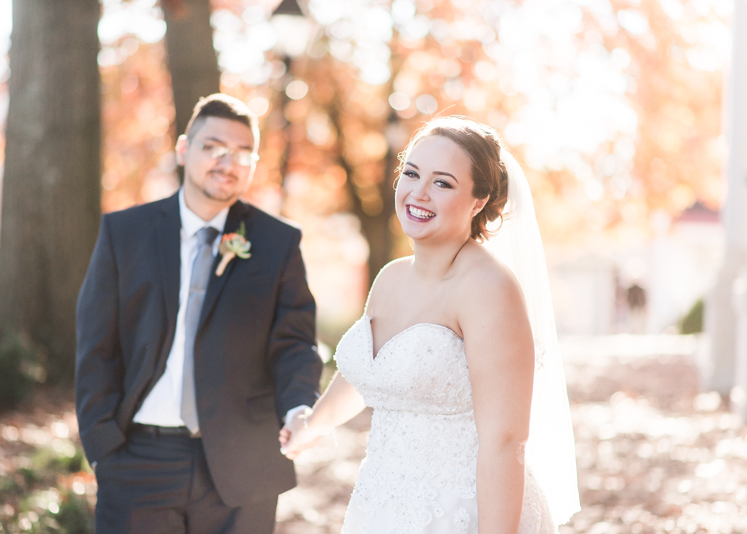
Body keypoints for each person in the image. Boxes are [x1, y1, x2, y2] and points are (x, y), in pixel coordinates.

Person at [279, 116, 580, 533]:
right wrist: (310, 427)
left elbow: (506, 442)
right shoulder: (390, 278)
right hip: (380, 506)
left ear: (479, 200)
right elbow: (368, 375)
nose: (418, 193)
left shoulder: (489, 289)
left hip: (462, 511)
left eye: (443, 183)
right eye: (412, 173)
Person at [75, 93, 323, 533]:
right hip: (136, 460)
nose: (228, 162)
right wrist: (102, 446)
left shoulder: (277, 243)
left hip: (241, 465)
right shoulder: (125, 233)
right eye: (213, 147)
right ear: (184, 149)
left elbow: (294, 343)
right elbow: (97, 343)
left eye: (243, 153)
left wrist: (299, 406)